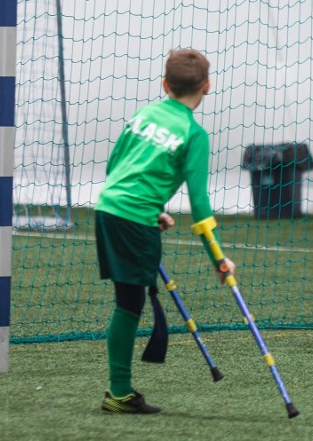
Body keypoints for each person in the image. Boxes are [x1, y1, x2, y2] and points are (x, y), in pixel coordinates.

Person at [95, 49, 235, 414]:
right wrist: (219, 258)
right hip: (132, 219)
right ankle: (120, 393)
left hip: (108, 209)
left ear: (164, 84)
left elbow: (116, 164)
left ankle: (120, 391)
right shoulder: (193, 133)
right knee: (129, 305)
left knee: (127, 300)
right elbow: (200, 204)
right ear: (207, 86)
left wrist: (152, 209)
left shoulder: (145, 114)